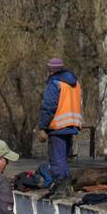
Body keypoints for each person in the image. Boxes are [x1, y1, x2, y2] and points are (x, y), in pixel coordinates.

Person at [38, 57, 82, 200]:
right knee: (63, 158)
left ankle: (62, 190)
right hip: (71, 124)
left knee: (57, 159)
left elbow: (49, 107)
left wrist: (43, 127)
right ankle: (67, 189)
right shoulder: (74, 83)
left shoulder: (54, 83)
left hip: (57, 125)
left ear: (50, 71)